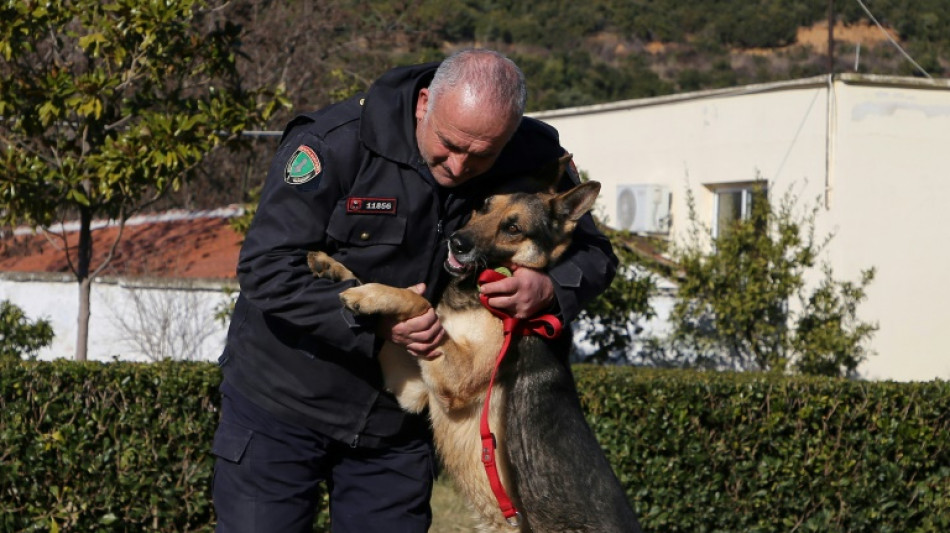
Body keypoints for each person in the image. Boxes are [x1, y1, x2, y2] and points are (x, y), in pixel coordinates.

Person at [211, 48, 618, 533]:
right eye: (449, 144)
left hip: (397, 428)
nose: (460, 165)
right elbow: (266, 267)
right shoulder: (334, 142)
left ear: (509, 135)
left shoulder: (532, 152)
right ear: (424, 103)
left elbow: (596, 255)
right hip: (283, 403)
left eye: (482, 155)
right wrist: (372, 322)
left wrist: (550, 288)